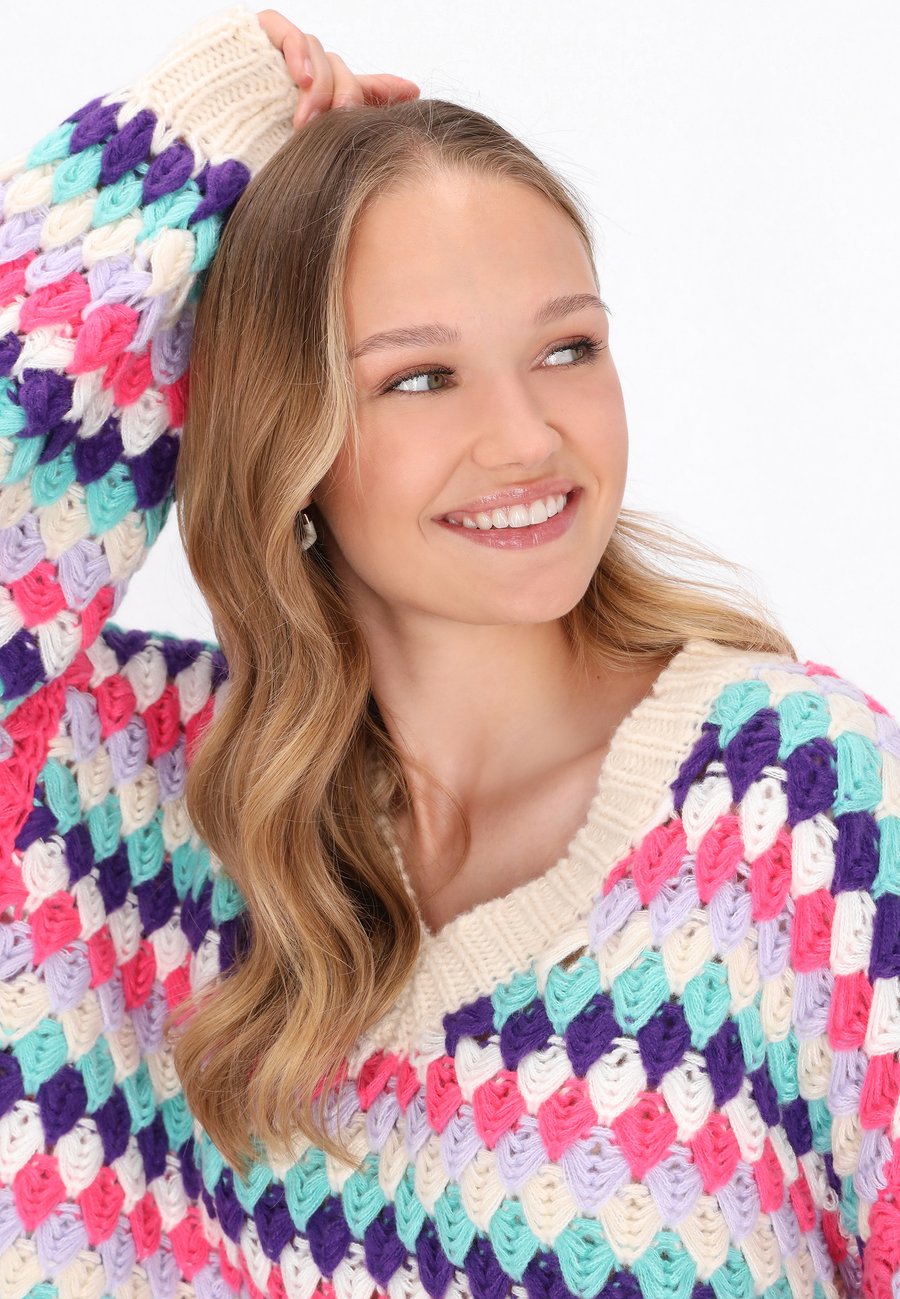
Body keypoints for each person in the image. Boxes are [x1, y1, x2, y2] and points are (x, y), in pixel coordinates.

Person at [0, 4, 896, 1297]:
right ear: (280, 431)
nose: (528, 437)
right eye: (421, 378)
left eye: (568, 349)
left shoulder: (799, 817)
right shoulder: (115, 812)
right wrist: (197, 127)